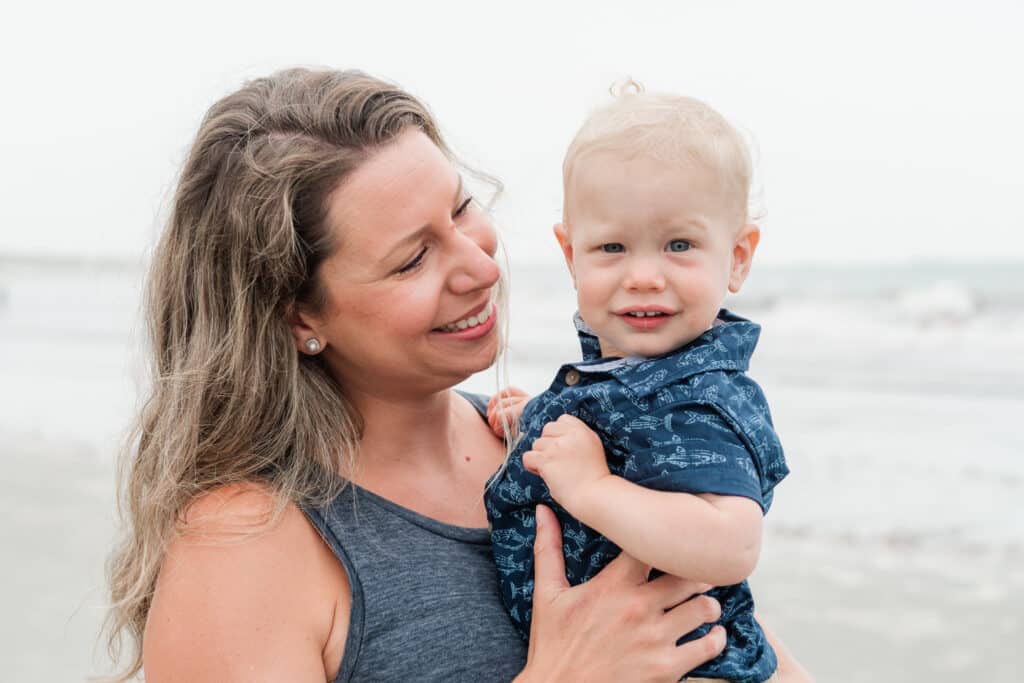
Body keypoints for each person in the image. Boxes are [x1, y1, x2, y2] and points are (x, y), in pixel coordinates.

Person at [103, 67, 809, 682]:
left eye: (462, 209)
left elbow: (738, 640)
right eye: (412, 259)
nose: (481, 267)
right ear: (297, 316)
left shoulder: (557, 438)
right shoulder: (244, 546)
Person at [485, 85, 789, 682]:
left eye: (679, 245)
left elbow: (732, 545)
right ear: (571, 255)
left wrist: (592, 487)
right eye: (612, 247)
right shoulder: (628, 378)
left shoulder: (701, 398)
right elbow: (630, 442)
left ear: (738, 257)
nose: (644, 276)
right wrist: (542, 419)